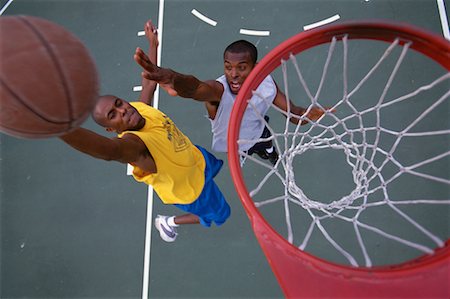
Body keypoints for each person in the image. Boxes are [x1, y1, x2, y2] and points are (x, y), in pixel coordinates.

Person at [59, 20, 230, 243]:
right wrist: (60, 129)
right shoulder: (135, 146)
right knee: (220, 214)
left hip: (195, 159)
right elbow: (109, 150)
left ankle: (197, 185)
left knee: (212, 170)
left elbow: (149, 82)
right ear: (112, 129)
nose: (123, 110)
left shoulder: (138, 110)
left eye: (119, 103)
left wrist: (153, 45)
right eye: (113, 115)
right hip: (192, 192)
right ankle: (169, 222)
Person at [133, 39, 330, 165]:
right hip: (234, 142)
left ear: (256, 67)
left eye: (241, 68)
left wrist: (313, 114)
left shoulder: (267, 84)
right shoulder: (219, 91)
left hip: (258, 131)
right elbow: (195, 88)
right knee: (243, 152)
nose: (233, 74)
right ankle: (249, 153)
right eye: (228, 67)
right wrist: (173, 78)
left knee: (267, 145)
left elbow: (294, 114)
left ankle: (269, 152)